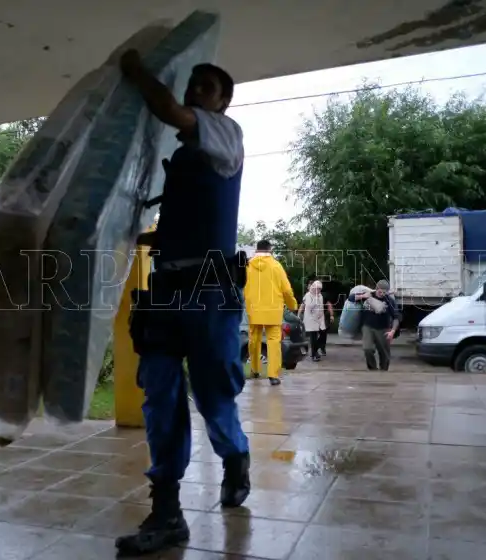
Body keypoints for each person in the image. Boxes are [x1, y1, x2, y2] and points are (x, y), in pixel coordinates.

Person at [117, 51, 250, 556]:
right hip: (167, 293)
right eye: (192, 84)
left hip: (211, 293)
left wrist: (135, 71)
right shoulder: (179, 165)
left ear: (223, 102)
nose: (195, 92)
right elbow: (180, 230)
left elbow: (169, 110)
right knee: (161, 399)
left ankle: (236, 457)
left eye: (206, 87)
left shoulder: (225, 134)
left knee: (214, 396)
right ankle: (167, 514)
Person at [243, 240, 297, 385]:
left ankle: (255, 369)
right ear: (270, 249)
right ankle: (273, 375)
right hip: (273, 310)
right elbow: (286, 289)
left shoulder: (247, 265)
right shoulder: (276, 266)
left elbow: (239, 286)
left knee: (254, 340)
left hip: (253, 309)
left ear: (256, 249)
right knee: (273, 342)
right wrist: (292, 305)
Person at [348, 279, 399, 371]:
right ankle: (373, 369)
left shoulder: (389, 301)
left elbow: (396, 317)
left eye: (384, 292)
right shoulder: (368, 295)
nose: (382, 293)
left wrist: (392, 331)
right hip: (367, 326)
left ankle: (383, 371)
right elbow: (350, 298)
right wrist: (363, 296)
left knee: (384, 353)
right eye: (380, 291)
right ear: (376, 289)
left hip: (383, 328)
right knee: (367, 349)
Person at [299, 280, 333, 361]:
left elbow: (328, 305)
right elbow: (302, 306)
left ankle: (317, 349)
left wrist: (331, 315)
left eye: (318, 288)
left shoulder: (321, 296)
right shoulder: (307, 296)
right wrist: (298, 315)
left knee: (323, 334)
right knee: (313, 337)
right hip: (310, 319)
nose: (316, 290)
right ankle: (314, 354)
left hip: (320, 319)